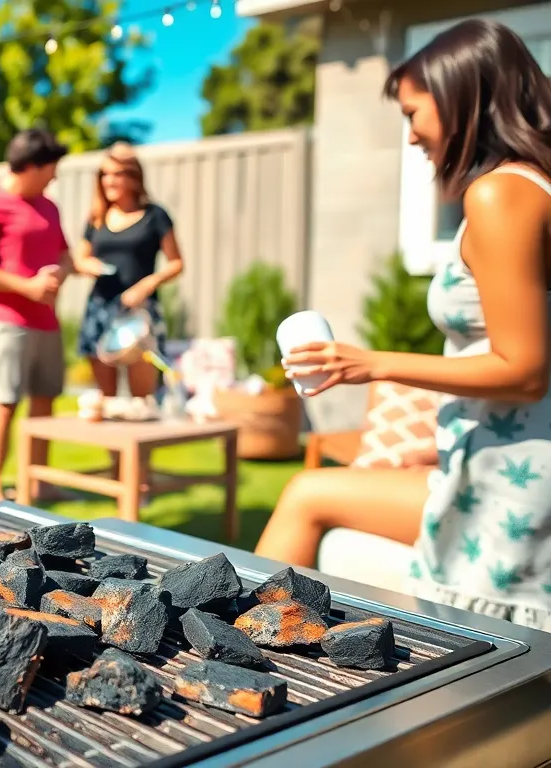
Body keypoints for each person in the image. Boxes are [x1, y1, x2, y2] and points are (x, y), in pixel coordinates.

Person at [256, 18, 551, 630]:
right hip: (500, 455)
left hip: (518, 486)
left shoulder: (501, 196)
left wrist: (369, 364)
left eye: (416, 112)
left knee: (307, 493)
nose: (411, 133)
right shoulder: (533, 186)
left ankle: (233, 650)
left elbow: (524, 371)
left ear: (463, 97)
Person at [0, 128, 74, 504]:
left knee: (44, 400)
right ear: (32, 166)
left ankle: (39, 484)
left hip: (46, 321)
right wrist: (25, 287)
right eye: (51, 168)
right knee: (4, 402)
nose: (55, 176)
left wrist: (61, 273)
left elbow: (65, 252)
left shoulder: (49, 206)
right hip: (4, 320)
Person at [72, 142, 185, 401]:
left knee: (141, 400)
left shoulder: (155, 216)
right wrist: (89, 266)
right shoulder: (97, 217)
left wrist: (147, 285)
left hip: (140, 314)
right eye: (104, 174)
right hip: (100, 309)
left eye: (117, 174)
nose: (109, 181)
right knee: (106, 400)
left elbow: (177, 263)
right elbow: (79, 259)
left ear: (134, 177)